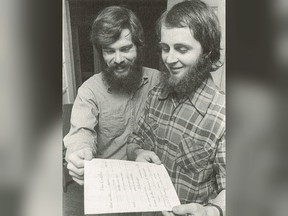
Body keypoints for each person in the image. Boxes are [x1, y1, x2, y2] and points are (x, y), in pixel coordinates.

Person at [127, 0, 225, 216]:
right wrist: (138, 152)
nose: (169, 59)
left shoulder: (224, 116)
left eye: (181, 49)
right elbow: (134, 140)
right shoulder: (155, 95)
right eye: (165, 48)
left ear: (207, 52)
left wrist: (212, 211)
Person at [64, 6, 160, 185]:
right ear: (101, 52)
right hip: (108, 185)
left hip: (151, 181)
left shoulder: (159, 81)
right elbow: (81, 132)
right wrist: (79, 153)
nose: (118, 59)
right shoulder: (89, 90)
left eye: (125, 49)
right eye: (109, 51)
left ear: (138, 47)